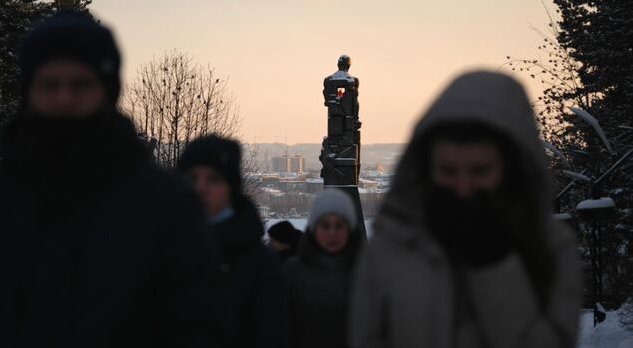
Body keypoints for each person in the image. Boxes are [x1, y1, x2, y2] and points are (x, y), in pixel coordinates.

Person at [0, 11, 219, 347]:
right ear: (29, 90)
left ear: (106, 90)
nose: (65, 97)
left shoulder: (165, 203)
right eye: (51, 84)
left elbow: (198, 324)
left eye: (80, 84)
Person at [350, 71, 581, 348]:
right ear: (427, 168)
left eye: (479, 171)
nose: (463, 187)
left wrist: (493, 264)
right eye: (448, 171)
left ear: (510, 168)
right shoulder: (391, 245)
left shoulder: (553, 247)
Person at [177, 135, 287, 348]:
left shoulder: (259, 263)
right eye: (192, 178)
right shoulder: (159, 247)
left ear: (231, 188)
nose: (201, 188)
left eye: (213, 179)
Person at [284, 189, 363, 348]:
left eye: (339, 225)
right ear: (314, 228)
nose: (332, 233)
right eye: (325, 225)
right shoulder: (291, 273)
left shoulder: (368, 273)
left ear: (350, 229)